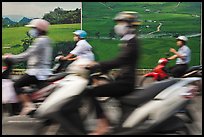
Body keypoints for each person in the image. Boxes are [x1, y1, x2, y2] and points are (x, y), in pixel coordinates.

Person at [85, 11, 141, 135]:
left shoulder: (132, 42)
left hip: (126, 83)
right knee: (98, 86)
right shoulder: (128, 41)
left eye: (121, 22)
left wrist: (98, 64)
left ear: (130, 25)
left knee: (92, 91)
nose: (118, 26)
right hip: (123, 79)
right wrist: (103, 71)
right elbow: (124, 63)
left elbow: (121, 60)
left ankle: (103, 124)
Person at [2, 19, 53, 115]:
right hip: (42, 71)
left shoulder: (40, 41)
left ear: (39, 29)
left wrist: (11, 57)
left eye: (33, 28)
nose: (31, 31)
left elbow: (27, 54)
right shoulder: (46, 40)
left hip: (37, 72)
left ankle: (28, 105)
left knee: (16, 85)